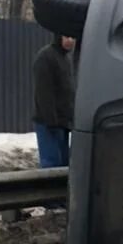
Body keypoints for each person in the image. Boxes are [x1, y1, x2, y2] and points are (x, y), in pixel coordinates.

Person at [33, 34, 76, 167]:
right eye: (66, 36)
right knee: (51, 165)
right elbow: (44, 92)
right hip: (48, 123)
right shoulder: (46, 57)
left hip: (63, 124)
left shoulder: (66, 59)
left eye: (72, 37)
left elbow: (68, 91)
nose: (70, 40)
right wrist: (51, 121)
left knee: (63, 165)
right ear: (58, 36)